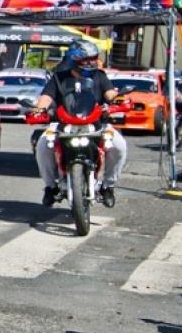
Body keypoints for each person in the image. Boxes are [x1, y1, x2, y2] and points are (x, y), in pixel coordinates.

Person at [32, 38, 127, 208]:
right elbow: (46, 97)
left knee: (119, 146)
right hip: (63, 123)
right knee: (42, 145)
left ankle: (108, 186)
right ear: (74, 60)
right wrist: (39, 109)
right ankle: (50, 186)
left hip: (97, 123)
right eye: (87, 59)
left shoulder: (100, 76)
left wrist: (118, 101)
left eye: (94, 58)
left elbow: (110, 93)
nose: (92, 62)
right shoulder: (58, 78)